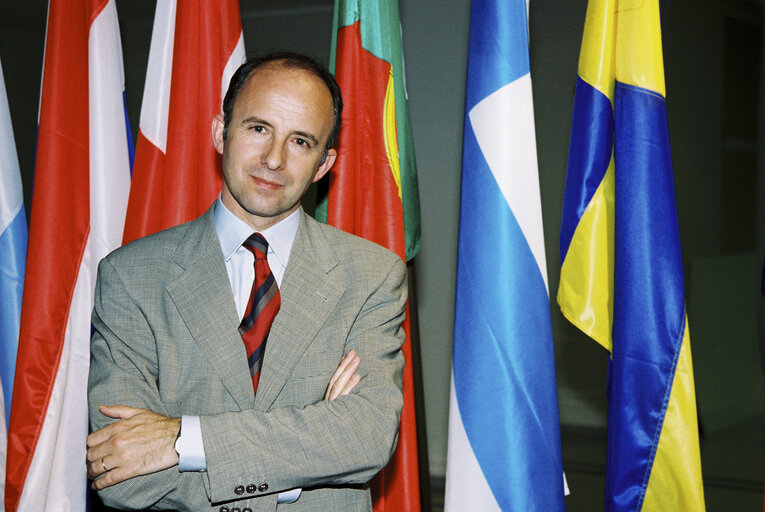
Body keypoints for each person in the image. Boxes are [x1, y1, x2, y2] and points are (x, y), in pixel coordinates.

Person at [86, 52, 407, 511]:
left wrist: (182, 437)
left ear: (323, 164)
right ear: (221, 133)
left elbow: (366, 438)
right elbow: (119, 473)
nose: (273, 159)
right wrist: (308, 463)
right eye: (259, 129)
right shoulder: (131, 277)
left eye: (300, 141)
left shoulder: (372, 277)